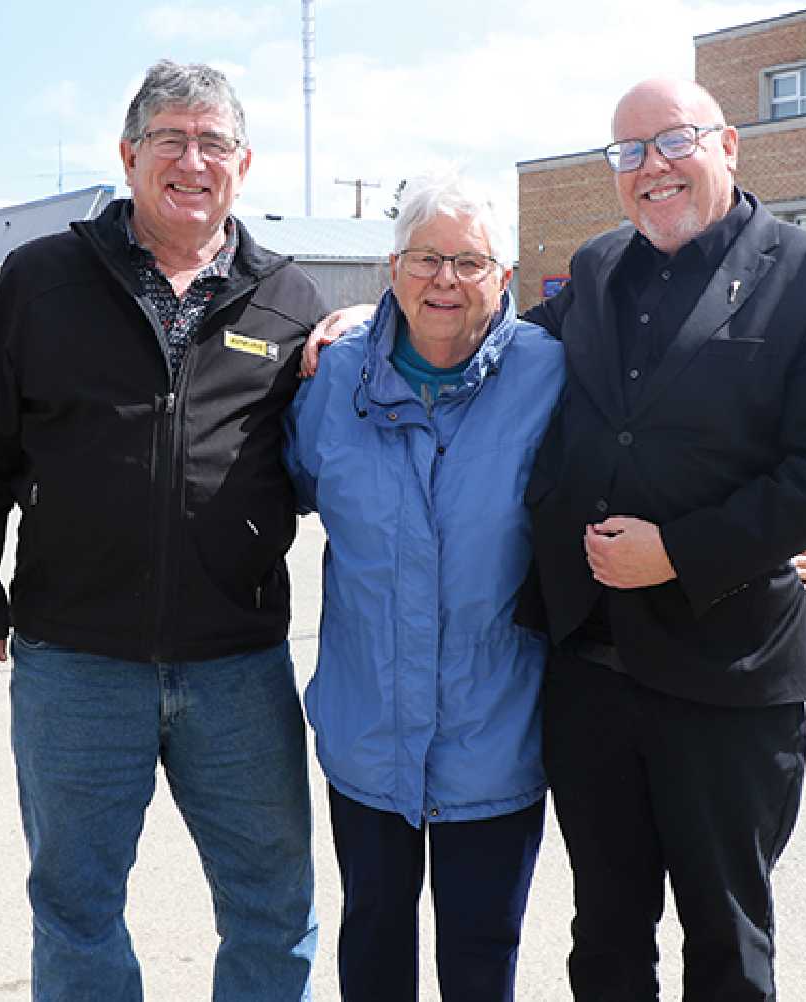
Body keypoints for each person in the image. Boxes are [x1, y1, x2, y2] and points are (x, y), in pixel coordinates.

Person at [0, 61, 320, 1001]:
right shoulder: (44, 279)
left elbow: (324, 465)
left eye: (214, 142)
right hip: (76, 662)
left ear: (244, 164)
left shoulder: (289, 300)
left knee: (273, 908)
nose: (193, 160)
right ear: (129, 156)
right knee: (77, 907)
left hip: (237, 665)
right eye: (170, 139)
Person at [520, 78, 806, 1000]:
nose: (652, 167)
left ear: (728, 145)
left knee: (726, 940)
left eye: (674, 141)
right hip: (589, 676)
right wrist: (368, 322)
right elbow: (503, 352)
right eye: (629, 152)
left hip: (727, 680)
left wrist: (679, 552)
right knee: (604, 935)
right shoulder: (597, 267)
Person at [284, 175, 561, 1002]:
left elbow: (650, 446)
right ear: (393, 269)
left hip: (496, 731)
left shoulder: (553, 375)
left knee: (481, 952)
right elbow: (271, 485)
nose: (446, 279)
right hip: (367, 728)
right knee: (373, 936)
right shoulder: (333, 377)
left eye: (469, 262)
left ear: (503, 277)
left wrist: (764, 540)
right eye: (425, 259)